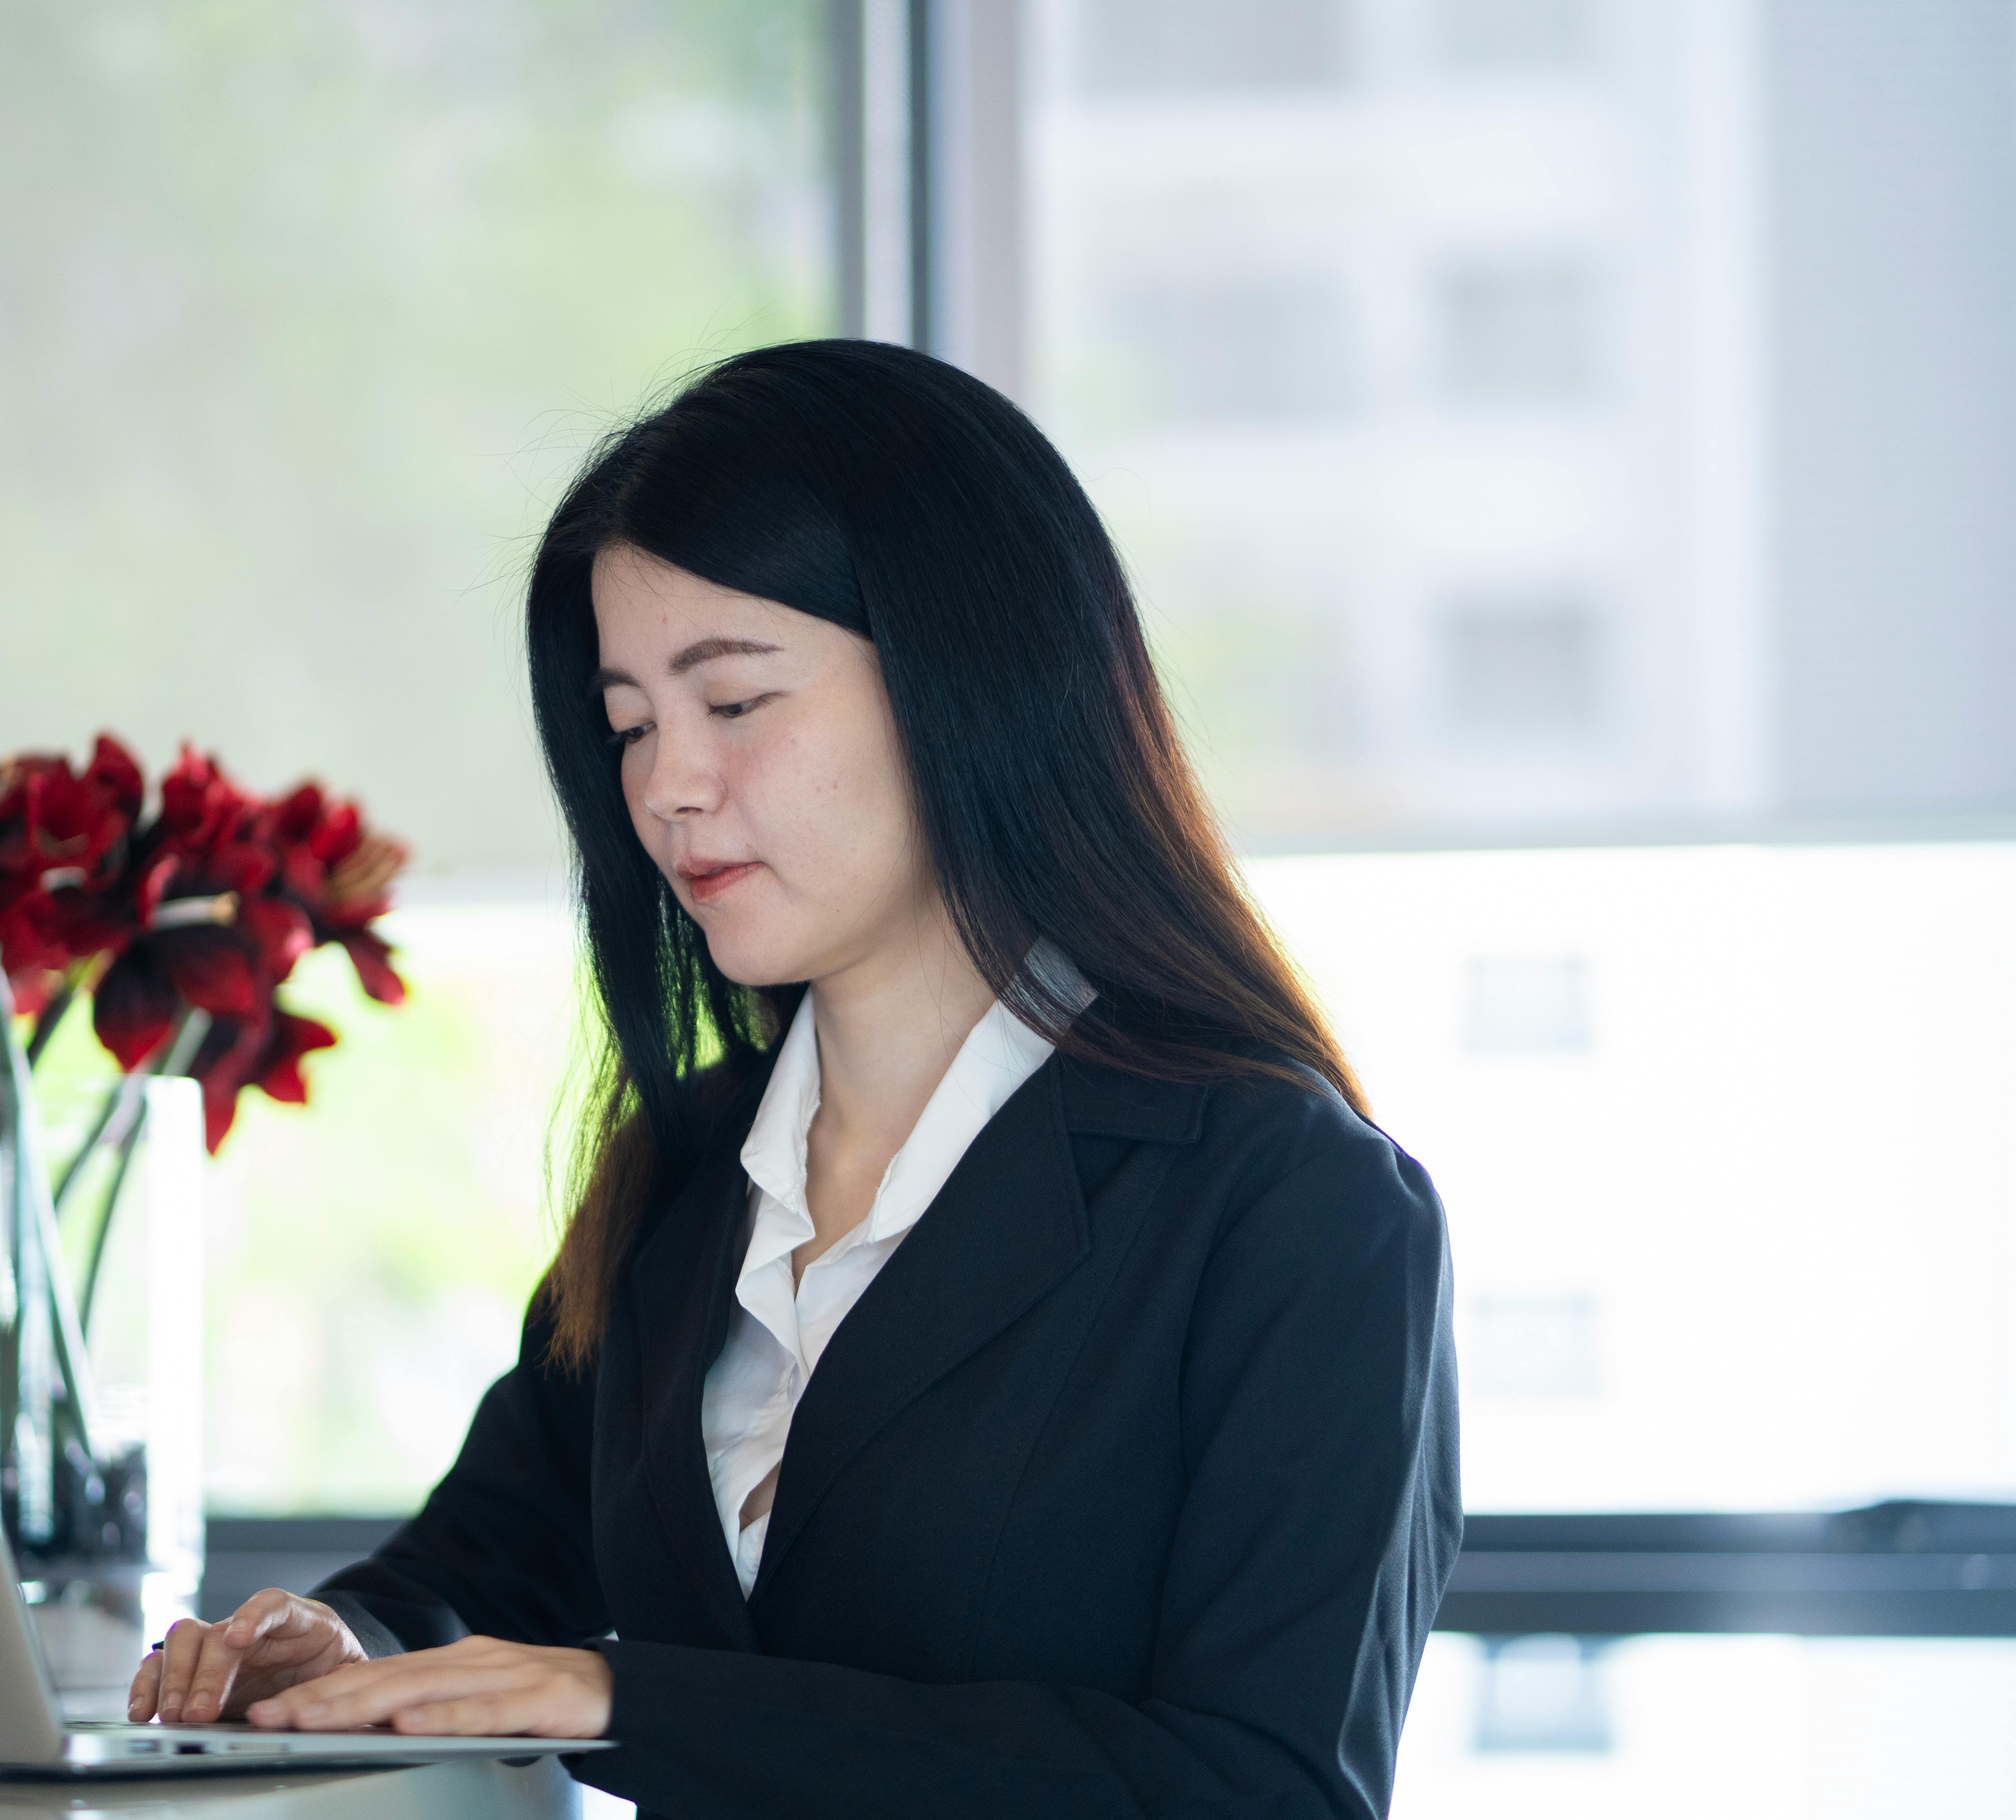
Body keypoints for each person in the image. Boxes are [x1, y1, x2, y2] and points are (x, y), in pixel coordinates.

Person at [132, 339, 1460, 1819]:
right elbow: (478, 1566)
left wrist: (633, 1701)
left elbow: (1263, 1792)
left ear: (969, 677)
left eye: (737, 703)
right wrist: (335, 1644)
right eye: (630, 724)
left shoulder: (1291, 1204)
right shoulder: (691, 1172)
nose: (666, 785)